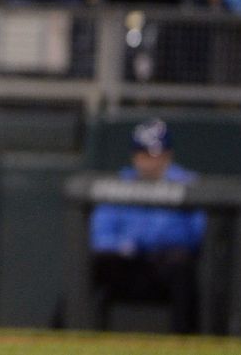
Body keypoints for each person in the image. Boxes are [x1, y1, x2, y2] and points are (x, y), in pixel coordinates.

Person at [90, 118, 205, 333]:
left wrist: (139, 242)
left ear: (167, 155)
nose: (149, 162)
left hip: (166, 268)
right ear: (134, 156)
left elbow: (195, 235)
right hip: (127, 266)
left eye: (155, 155)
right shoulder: (120, 184)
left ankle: (183, 345)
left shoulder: (188, 184)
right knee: (91, 268)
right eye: (143, 155)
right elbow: (100, 235)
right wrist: (125, 246)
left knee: (180, 266)